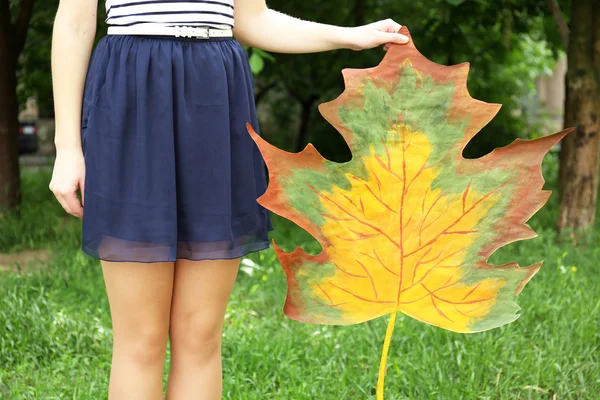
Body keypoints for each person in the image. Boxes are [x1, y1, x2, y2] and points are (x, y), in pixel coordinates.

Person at [49, 0, 409, 399]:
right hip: (133, 94)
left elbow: (252, 20)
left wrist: (349, 37)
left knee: (200, 334)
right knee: (142, 337)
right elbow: (74, 23)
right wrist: (67, 148)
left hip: (215, 99)